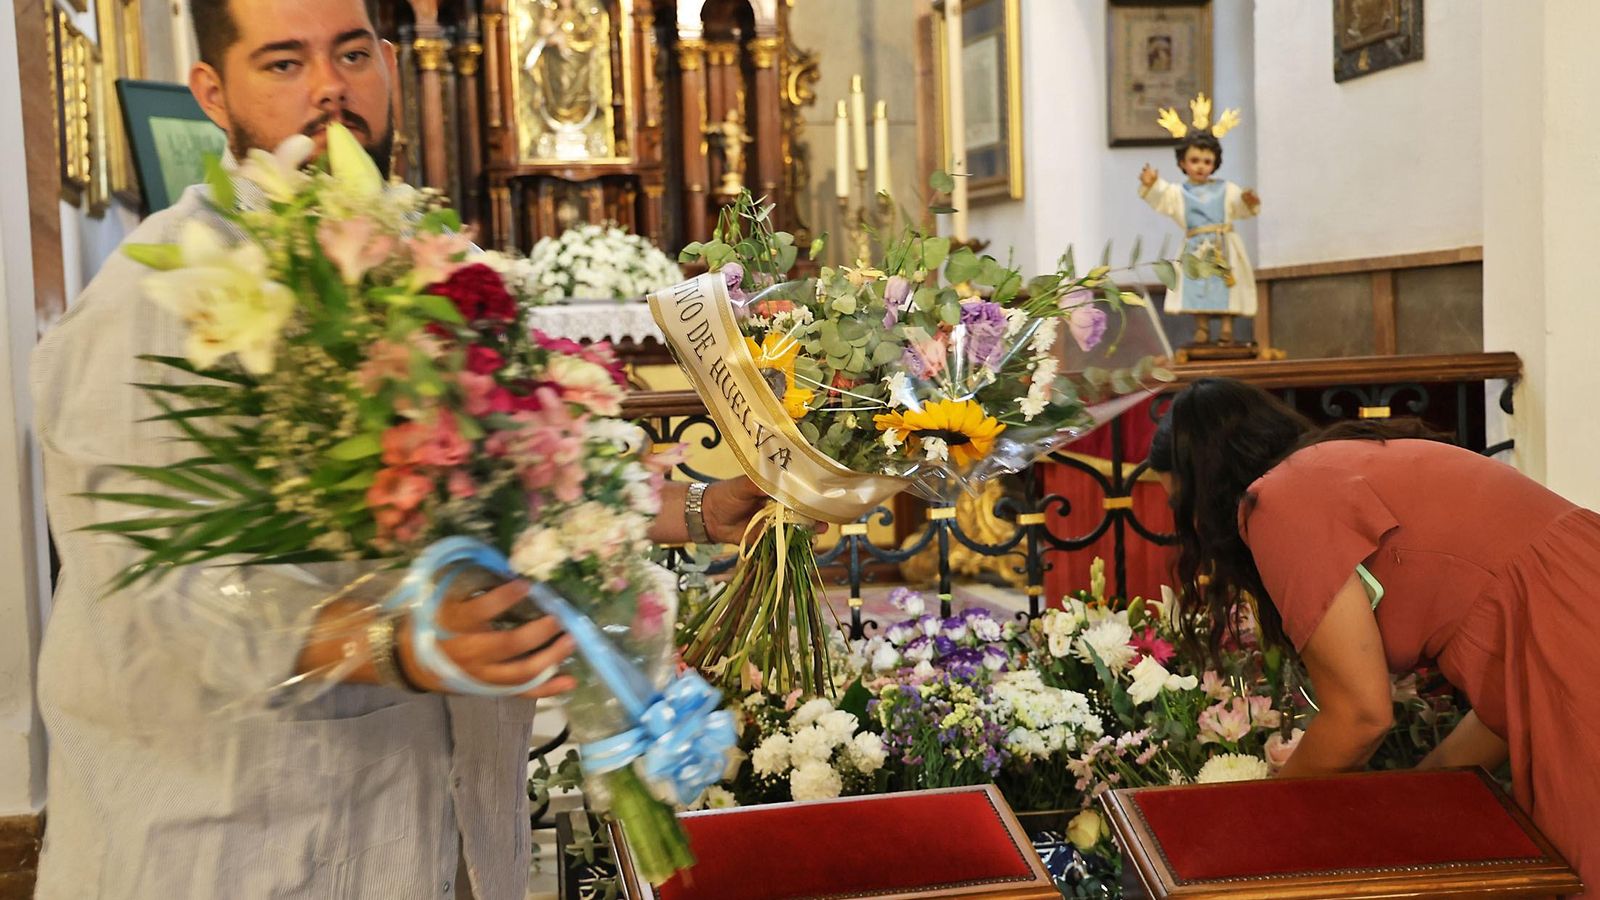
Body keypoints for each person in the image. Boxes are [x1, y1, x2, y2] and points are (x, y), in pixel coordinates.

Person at [29, 0, 769, 896]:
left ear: (388, 62)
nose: (329, 88)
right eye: (283, 63)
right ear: (213, 94)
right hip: (242, 832)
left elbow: (519, 476)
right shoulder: (167, 290)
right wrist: (388, 641)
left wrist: (695, 509)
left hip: (435, 818)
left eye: (349, 54)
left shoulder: (426, 258)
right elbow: (146, 585)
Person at [1147, 377, 1599, 889]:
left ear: (1208, 486)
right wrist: (1412, 797)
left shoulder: (1281, 499)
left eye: (1186, 510)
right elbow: (1503, 702)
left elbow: (1360, 715)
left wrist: (1262, 819)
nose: (1198, 532)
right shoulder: (1331, 467)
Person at [1139, 109, 1260, 346]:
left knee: (1226, 285)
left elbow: (1240, 206)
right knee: (1197, 286)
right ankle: (1201, 328)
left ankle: (1227, 329)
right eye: (1195, 161)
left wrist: (1248, 200)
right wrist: (1152, 183)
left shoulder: (1226, 189)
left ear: (1215, 163)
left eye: (1207, 161)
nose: (1201, 167)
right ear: (1183, 162)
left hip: (1223, 246)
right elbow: (1162, 196)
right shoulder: (1179, 193)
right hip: (1196, 248)